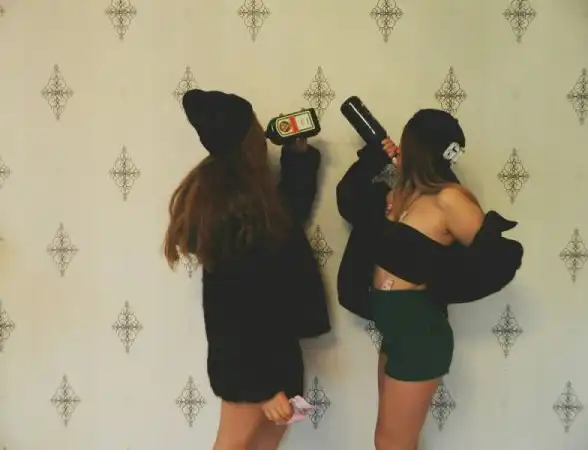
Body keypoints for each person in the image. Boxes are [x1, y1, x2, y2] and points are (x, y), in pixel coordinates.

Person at [336, 109, 524, 450]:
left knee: (390, 443)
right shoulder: (402, 195)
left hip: (419, 334)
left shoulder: (449, 198)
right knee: (394, 441)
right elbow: (349, 199)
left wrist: (440, 282)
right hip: (395, 330)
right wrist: (376, 158)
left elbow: (494, 259)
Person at [163, 89, 330, 450]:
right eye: (253, 126)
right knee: (233, 445)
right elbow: (232, 310)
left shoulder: (249, 195)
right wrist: (264, 387)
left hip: (274, 352)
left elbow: (288, 218)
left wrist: (298, 155)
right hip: (254, 367)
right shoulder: (233, 210)